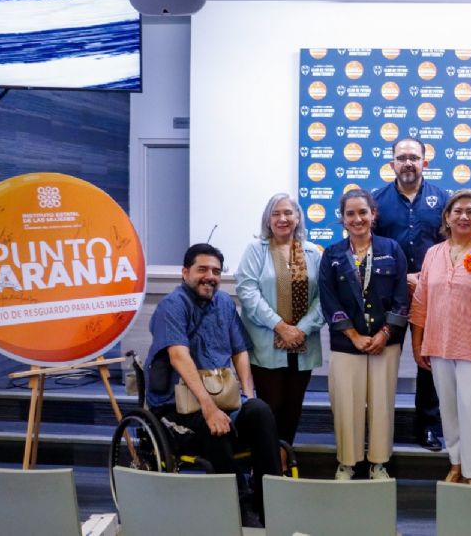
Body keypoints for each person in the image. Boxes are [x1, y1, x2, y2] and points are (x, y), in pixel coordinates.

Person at [144, 243, 280, 524]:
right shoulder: (172, 306)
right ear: (185, 273)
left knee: (260, 412)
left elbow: (239, 350)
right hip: (177, 406)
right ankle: (236, 510)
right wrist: (209, 408)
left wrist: (248, 394)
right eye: (202, 269)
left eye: (216, 271)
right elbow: (179, 357)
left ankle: (270, 503)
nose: (210, 276)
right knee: (215, 430)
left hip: (222, 398)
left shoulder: (224, 303)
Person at [410, 189, 471, 485]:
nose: (464, 217)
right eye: (458, 211)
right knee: (449, 411)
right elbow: (420, 302)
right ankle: (455, 463)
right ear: (447, 217)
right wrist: (418, 344)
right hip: (439, 345)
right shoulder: (433, 254)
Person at [318, 189, 410, 480]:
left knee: (382, 404)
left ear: (373, 214)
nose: (357, 219)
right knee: (346, 404)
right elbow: (328, 299)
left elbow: (401, 298)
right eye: (350, 214)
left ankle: (379, 463)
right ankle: (347, 462)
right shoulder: (332, 254)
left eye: (363, 212)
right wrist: (354, 336)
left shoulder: (392, 248)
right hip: (347, 344)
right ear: (342, 219)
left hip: (386, 343)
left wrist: (385, 333)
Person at [373, 137, 450, 451]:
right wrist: (400, 277)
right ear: (392, 163)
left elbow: (451, 246)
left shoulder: (444, 200)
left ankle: (429, 427)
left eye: (413, 158)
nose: (407, 163)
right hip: (389, 297)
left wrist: (430, 278)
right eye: (401, 157)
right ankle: (380, 429)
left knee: (428, 363)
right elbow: (369, 249)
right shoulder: (376, 202)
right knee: (383, 363)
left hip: (432, 298)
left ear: (424, 163)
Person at [235, 193, 325, 459]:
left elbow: (324, 296)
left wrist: (302, 329)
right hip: (266, 345)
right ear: (268, 219)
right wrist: (280, 326)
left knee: (292, 406)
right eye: (276, 213)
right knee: (269, 405)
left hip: (302, 344)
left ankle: (284, 458)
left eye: (288, 213)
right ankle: (265, 460)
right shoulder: (256, 250)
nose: (282, 219)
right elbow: (247, 291)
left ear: (298, 218)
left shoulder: (312, 253)